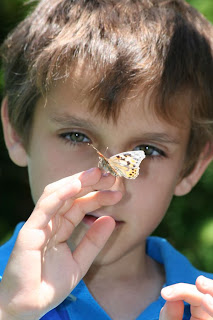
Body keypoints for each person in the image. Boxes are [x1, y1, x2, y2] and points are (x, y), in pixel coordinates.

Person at [0, 0, 213, 319]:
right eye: (76, 136)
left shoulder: (201, 302)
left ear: (193, 165)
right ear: (17, 132)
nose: (110, 180)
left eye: (147, 151)